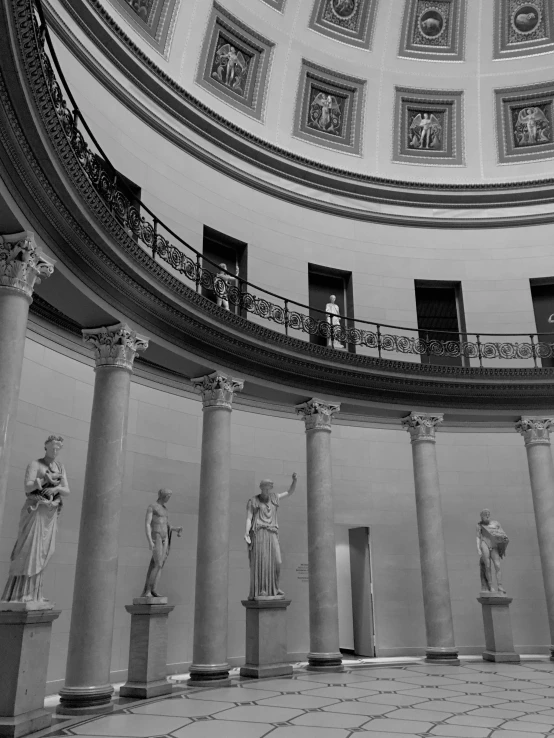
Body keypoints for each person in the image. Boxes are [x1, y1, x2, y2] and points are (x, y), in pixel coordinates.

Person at [1, 435, 69, 603]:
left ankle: (35, 593)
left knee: (45, 551)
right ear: (45, 447)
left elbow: (66, 490)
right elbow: (27, 486)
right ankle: (19, 594)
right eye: (53, 447)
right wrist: (44, 480)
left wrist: (56, 489)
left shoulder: (60, 466)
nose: (55, 451)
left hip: (50, 513)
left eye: (58, 448)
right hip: (35, 511)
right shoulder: (35, 464)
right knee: (29, 549)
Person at [244, 473, 297, 600]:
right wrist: (246, 533)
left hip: (272, 533)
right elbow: (249, 518)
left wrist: (294, 481)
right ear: (261, 488)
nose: (267, 490)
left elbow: (289, 492)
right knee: (262, 561)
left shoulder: (274, 498)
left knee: (277, 561)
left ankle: (274, 588)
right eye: (265, 488)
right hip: (259, 533)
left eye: (269, 488)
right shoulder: (254, 501)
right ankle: (262, 590)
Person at [141, 488, 183, 598]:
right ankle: (147, 591)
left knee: (160, 565)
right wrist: (150, 540)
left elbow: (166, 524)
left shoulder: (165, 509)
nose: (168, 498)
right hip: (157, 535)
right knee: (157, 563)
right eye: (168, 496)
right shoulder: (153, 506)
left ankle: (154, 589)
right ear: (162, 495)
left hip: (165, 537)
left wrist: (175, 529)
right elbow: (147, 524)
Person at [477, 509, 509, 594]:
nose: (486, 516)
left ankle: (500, 585)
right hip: (485, 543)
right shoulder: (480, 525)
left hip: (494, 544)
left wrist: (503, 539)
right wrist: (478, 548)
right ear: (482, 516)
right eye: (484, 515)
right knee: (487, 566)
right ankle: (491, 586)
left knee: (497, 565)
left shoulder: (496, 523)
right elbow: (478, 537)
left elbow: (503, 534)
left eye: (488, 514)